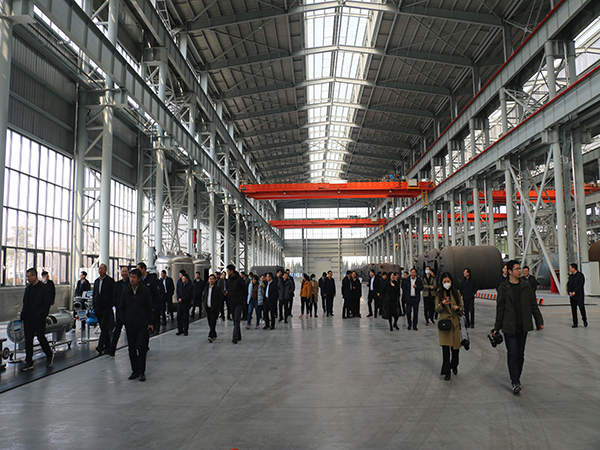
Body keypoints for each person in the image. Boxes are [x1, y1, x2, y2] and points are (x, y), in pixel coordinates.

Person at [493, 260, 544, 394]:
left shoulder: (526, 286)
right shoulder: (503, 288)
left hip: (523, 325)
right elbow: (500, 308)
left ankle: (517, 377)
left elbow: (533, 305)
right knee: (513, 353)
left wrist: (539, 320)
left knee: (520, 354)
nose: (519, 271)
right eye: (516, 269)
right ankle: (515, 380)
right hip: (509, 326)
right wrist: (496, 327)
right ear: (510, 271)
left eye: (519, 269)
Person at [121, 268, 154, 382]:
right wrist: (124, 321)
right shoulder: (125, 292)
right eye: (131, 277)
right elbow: (122, 307)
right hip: (130, 324)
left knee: (141, 347)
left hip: (142, 324)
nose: (132, 279)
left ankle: (141, 371)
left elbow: (149, 308)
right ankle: (134, 370)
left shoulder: (144, 292)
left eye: (134, 277)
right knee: (131, 348)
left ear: (139, 279)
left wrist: (150, 323)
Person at [20, 268, 54, 371]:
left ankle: (49, 354)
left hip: (38, 318)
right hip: (28, 318)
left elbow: (46, 304)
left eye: (29, 277)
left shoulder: (43, 288)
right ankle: (29, 361)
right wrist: (23, 315)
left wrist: (42, 316)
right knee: (28, 340)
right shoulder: (28, 288)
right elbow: (25, 303)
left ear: (34, 276)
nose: (28, 279)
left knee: (40, 337)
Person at [435, 272, 464, 381]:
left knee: (456, 349)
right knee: (445, 350)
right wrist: (442, 304)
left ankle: (454, 365)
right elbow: (437, 309)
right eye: (444, 281)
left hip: (455, 324)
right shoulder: (439, 294)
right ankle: (447, 372)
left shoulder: (456, 293)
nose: (446, 283)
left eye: (448, 281)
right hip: (444, 325)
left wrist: (458, 308)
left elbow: (462, 307)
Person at [92, 263, 116, 355]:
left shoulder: (110, 281)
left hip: (106, 308)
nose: (100, 270)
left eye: (102, 268)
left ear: (106, 270)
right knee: (103, 328)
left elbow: (113, 294)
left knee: (105, 326)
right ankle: (108, 345)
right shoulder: (96, 281)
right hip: (98, 308)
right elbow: (95, 294)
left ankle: (100, 345)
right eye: (99, 268)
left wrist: (110, 305)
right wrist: (94, 306)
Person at [107, 266, 130, 356]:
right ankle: (112, 350)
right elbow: (114, 296)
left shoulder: (131, 283)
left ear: (128, 273)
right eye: (122, 271)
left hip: (129, 311)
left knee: (130, 331)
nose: (124, 273)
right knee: (117, 330)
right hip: (119, 311)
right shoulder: (117, 284)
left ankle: (132, 348)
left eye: (125, 271)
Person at [137, 262, 161, 335]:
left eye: (139, 269)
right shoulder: (139, 280)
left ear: (143, 269)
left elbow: (156, 294)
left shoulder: (151, 279)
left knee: (153, 323)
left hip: (151, 306)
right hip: (142, 308)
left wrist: (154, 306)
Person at [227, 264, 247, 343]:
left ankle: (235, 336)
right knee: (235, 320)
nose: (227, 272)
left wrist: (243, 299)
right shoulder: (229, 280)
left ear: (232, 271)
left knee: (236, 319)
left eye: (228, 271)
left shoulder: (239, 280)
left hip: (239, 302)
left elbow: (244, 290)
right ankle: (239, 335)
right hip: (231, 302)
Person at [203, 274, 224, 342]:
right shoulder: (206, 288)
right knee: (210, 322)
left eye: (212, 279)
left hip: (215, 309)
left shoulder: (217, 288)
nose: (211, 280)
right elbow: (204, 296)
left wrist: (218, 307)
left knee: (213, 322)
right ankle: (214, 334)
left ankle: (210, 336)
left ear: (215, 280)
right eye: (210, 279)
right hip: (208, 308)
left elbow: (220, 298)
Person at [567, 263, 587, 328]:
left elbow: (580, 285)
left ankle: (584, 319)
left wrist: (575, 292)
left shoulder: (580, 275)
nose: (570, 269)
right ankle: (575, 323)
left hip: (579, 295)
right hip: (572, 296)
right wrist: (569, 292)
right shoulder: (571, 276)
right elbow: (568, 285)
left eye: (570, 268)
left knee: (581, 308)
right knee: (573, 309)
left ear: (573, 268)